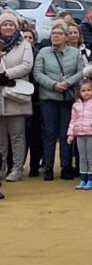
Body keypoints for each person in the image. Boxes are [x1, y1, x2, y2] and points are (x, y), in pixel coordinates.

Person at [34, 22, 84, 181]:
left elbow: (80, 72)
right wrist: (53, 85)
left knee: (65, 133)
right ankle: (48, 167)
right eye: (53, 33)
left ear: (66, 37)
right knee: (49, 133)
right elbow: (38, 73)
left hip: (67, 99)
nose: (55, 36)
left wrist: (67, 83)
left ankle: (66, 166)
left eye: (59, 33)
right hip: (49, 98)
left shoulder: (75, 53)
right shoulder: (43, 52)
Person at [0, 10, 33, 181]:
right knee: (1, 139)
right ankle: (2, 167)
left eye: (10, 24)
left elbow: (27, 65)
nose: (7, 27)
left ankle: (17, 168)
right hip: (0, 97)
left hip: (15, 94)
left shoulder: (23, 44)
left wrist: (6, 74)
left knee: (17, 136)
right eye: (4, 24)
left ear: (15, 26)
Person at [67, 78, 92, 191]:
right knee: (82, 157)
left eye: (89, 90)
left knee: (91, 157)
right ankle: (83, 179)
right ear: (79, 92)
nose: (86, 92)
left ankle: (90, 179)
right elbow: (73, 120)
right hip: (79, 134)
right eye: (83, 90)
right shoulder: (76, 105)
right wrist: (70, 134)